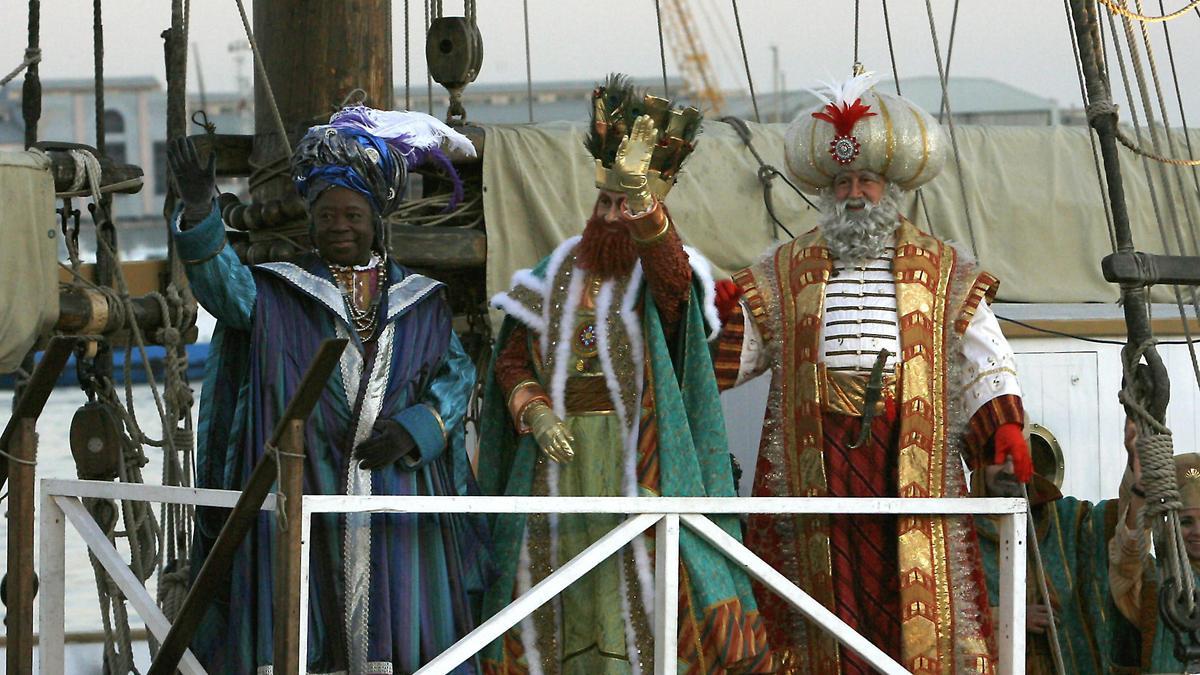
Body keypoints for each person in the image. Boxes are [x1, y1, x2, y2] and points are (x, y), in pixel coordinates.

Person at [710, 72, 1031, 673]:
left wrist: (1002, 428)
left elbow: (985, 358)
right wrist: (713, 318)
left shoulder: (944, 269)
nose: (855, 193)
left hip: (909, 454)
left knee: (910, 588)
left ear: (891, 188)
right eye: (843, 182)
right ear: (828, 193)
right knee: (820, 597)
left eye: (866, 180)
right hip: (817, 461)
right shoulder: (783, 268)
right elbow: (729, 361)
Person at [169, 106, 489, 673]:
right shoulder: (277, 293)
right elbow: (223, 290)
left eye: (351, 213)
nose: (338, 224)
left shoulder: (424, 301)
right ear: (310, 222)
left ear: (375, 219)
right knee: (297, 627)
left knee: (409, 636)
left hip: (400, 493)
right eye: (325, 214)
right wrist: (201, 215)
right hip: (300, 487)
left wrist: (419, 430)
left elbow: (456, 376)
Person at [477, 75, 773, 674]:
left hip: (636, 456)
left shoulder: (659, 276)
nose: (612, 215)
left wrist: (646, 209)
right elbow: (510, 359)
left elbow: (671, 281)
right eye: (605, 203)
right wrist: (532, 408)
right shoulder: (553, 270)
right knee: (553, 586)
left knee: (640, 584)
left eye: (625, 205)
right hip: (556, 462)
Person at [974, 424, 1119, 673]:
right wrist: (1009, 617)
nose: (1009, 470)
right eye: (998, 461)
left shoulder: (1064, 520)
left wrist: (1138, 454)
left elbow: (1120, 524)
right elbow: (944, 613)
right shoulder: (959, 529)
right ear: (979, 466)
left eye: (1016, 459)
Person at [1109, 416, 1200, 672]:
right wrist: (1140, 491)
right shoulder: (1153, 585)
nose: (1197, 532)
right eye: (1186, 522)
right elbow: (1126, 561)